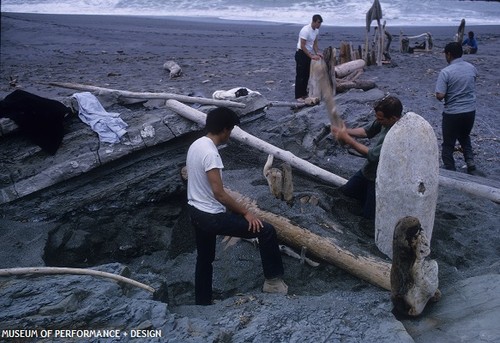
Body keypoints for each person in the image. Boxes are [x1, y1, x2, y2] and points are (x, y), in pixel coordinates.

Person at [186, 107, 287, 305]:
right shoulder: (211, 154)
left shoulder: (196, 144)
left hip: (195, 210)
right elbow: (219, 193)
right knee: (266, 231)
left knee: (204, 258)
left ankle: (203, 300)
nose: (230, 134)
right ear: (224, 129)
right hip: (211, 216)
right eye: (230, 130)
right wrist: (246, 213)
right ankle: (273, 283)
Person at [331, 96, 403, 220]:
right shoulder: (385, 120)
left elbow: (373, 155)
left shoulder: (398, 135)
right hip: (368, 171)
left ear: (394, 118)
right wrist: (345, 131)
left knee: (369, 216)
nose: (378, 121)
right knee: (347, 192)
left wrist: (348, 140)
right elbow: (367, 131)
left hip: (381, 178)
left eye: (381, 119)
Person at [435, 41, 478, 173]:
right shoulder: (471, 68)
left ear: (448, 54)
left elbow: (440, 95)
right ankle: (470, 162)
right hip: (470, 111)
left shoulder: (445, 72)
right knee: (465, 137)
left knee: (448, 143)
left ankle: (450, 169)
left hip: (452, 112)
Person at [295, 14, 323, 102]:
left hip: (308, 53)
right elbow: (303, 45)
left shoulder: (316, 31)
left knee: (307, 74)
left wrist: (317, 52)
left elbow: (314, 43)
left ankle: (304, 93)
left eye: (320, 23)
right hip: (301, 53)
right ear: (314, 21)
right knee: (300, 75)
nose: (319, 25)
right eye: (318, 23)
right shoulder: (305, 30)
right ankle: (298, 96)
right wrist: (311, 56)